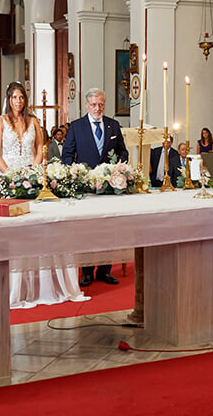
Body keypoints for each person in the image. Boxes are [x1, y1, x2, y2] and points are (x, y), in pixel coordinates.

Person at [0, 81, 88, 309]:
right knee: (15, 232)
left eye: (21, 97)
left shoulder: (33, 121)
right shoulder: (0, 121)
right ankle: (16, 286)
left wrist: (34, 171)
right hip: (10, 178)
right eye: (14, 97)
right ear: (8, 99)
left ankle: (43, 282)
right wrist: (10, 175)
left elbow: (39, 149)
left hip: (32, 176)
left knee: (36, 226)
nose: (18, 101)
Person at [62, 88, 128, 287]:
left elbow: (123, 152)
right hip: (87, 188)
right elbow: (67, 155)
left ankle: (105, 270)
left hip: (109, 187)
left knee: (108, 230)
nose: (97, 108)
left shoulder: (113, 125)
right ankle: (88, 271)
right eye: (94, 104)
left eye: (101, 104)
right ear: (86, 105)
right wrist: (74, 174)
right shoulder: (76, 127)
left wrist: (117, 169)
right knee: (87, 231)